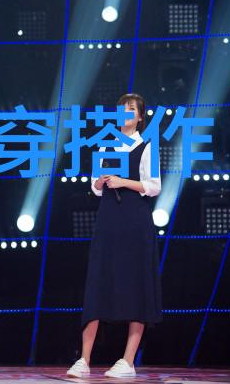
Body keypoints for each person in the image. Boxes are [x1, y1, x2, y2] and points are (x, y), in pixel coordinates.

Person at [66, 93, 162, 379]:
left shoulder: (147, 147)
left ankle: (128, 361)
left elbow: (154, 186)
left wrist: (123, 182)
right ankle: (84, 359)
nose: (125, 112)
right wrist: (99, 182)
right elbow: (95, 188)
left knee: (137, 286)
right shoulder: (106, 145)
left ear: (140, 117)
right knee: (97, 284)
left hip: (135, 222)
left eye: (131, 109)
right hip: (108, 222)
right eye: (122, 108)